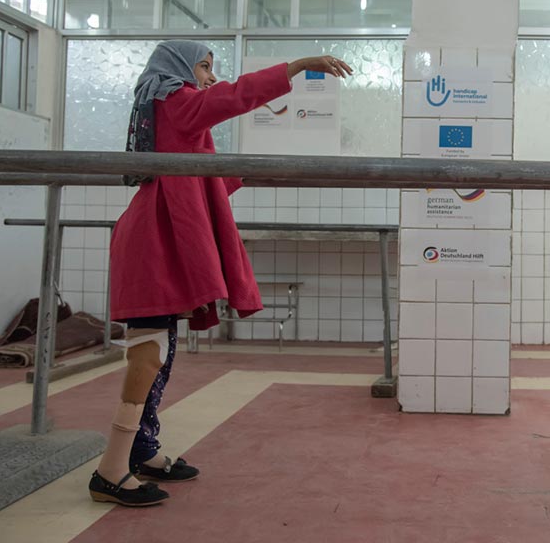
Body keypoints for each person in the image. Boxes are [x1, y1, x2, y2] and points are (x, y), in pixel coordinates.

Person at [88, 40, 353, 507]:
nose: (209, 77)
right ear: (179, 69)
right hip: (154, 241)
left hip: (159, 235)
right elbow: (229, 99)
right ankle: (111, 469)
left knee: (159, 352)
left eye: (212, 69)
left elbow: (207, 177)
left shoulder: (169, 110)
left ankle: (143, 450)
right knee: (148, 355)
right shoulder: (174, 100)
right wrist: (298, 66)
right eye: (204, 67)